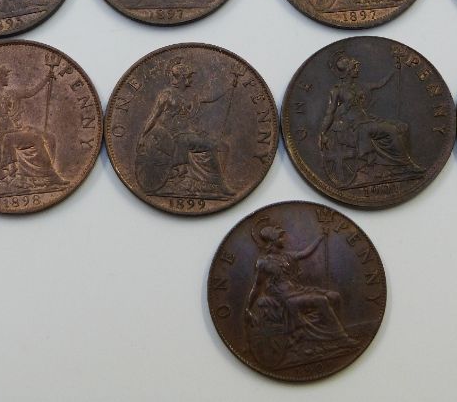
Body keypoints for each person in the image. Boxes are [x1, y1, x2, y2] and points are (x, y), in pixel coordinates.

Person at [245, 221, 356, 363]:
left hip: (297, 290)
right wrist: (248, 307)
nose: (283, 239)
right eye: (280, 237)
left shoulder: (286, 256)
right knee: (321, 300)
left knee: (334, 296)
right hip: (284, 297)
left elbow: (305, 253)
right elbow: (257, 286)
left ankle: (325, 335)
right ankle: (341, 338)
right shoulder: (264, 262)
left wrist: (321, 238)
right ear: (273, 241)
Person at [319, 50, 423, 187]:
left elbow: (380, 84)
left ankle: (393, 166)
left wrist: (394, 71)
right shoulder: (337, 90)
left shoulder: (359, 86)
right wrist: (323, 132)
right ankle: (406, 165)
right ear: (348, 70)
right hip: (355, 127)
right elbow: (330, 113)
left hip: (367, 120)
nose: (358, 70)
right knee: (391, 130)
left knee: (402, 126)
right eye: (355, 68)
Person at [0, 58, 65, 197]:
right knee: (35, 139)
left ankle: (35, 176)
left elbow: (31, 92)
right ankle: (50, 176)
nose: (7, 78)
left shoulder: (11, 93)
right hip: (0, 134)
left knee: (48, 137)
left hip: (13, 129)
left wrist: (46, 79)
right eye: (5, 76)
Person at [135, 57, 231, 197]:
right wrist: (143, 136)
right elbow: (153, 116)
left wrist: (229, 87)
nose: (191, 80)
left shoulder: (187, 97)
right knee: (212, 145)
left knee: (222, 145)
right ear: (182, 78)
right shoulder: (166, 95)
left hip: (185, 135)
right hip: (173, 138)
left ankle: (206, 182)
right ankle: (219, 185)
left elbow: (209, 98)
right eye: (189, 77)